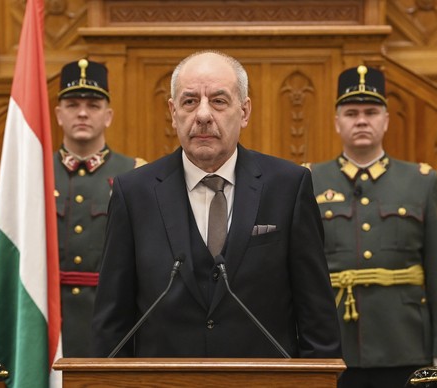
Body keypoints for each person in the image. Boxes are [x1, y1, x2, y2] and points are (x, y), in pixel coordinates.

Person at [90, 50, 342, 359]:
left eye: (219, 101)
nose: (203, 115)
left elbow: (318, 316)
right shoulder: (133, 193)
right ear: (173, 111)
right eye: (190, 101)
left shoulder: (288, 186)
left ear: (245, 111)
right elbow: (112, 322)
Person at [0, 58, 146, 358]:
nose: (83, 113)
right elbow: (12, 247)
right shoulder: (33, 173)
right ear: (59, 115)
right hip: (43, 321)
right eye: (73, 104)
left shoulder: (134, 174)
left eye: (93, 105)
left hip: (109, 324)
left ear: (109, 116)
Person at [302, 65, 437, 387]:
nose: (361, 120)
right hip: (333, 344)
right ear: (336, 122)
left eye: (372, 111)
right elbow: (300, 273)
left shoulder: (421, 182)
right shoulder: (308, 181)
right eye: (351, 112)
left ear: (386, 120)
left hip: (403, 344)